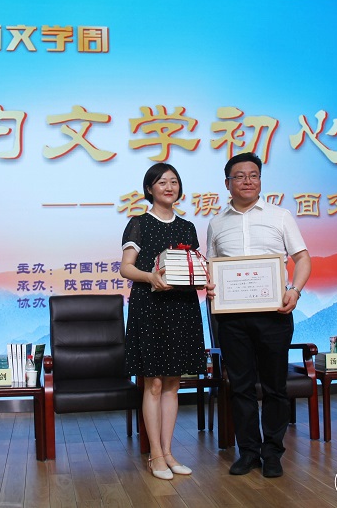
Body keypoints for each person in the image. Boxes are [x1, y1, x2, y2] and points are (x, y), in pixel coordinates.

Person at [206, 152, 311, 479]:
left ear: (260, 180)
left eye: (253, 175)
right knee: (241, 387)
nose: (247, 181)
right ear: (228, 183)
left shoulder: (281, 216)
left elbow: (303, 258)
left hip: (274, 315)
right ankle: (249, 452)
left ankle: (273, 451)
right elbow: (211, 267)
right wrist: (210, 285)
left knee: (275, 386)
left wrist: (295, 290)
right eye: (239, 176)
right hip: (232, 319)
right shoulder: (216, 223)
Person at [121, 163, 207, 480]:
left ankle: (169, 452)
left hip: (182, 307)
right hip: (150, 305)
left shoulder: (187, 227)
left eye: (174, 182)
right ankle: (155, 455)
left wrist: (206, 280)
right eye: (161, 182)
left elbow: (193, 267)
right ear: (149, 189)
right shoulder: (138, 223)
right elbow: (126, 268)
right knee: (154, 383)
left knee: (173, 382)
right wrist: (150, 277)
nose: (169, 187)